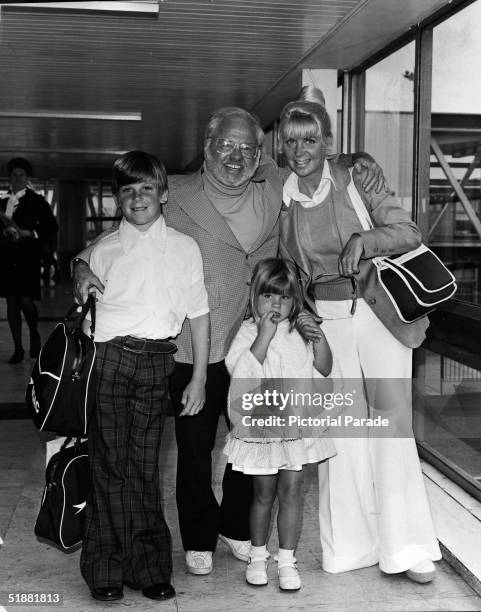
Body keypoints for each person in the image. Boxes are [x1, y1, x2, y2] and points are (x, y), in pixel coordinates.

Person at [72, 106, 385, 576]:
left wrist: (357, 158)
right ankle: (198, 536)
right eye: (225, 145)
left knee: (254, 442)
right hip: (191, 349)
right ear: (207, 147)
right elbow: (115, 238)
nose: (235, 156)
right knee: (195, 452)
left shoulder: (277, 185)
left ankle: (237, 529)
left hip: (259, 345)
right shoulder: (174, 192)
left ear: (260, 155)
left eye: (247, 148)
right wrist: (80, 266)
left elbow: (315, 161)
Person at [278, 87, 441, 583]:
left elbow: (408, 231)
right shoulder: (283, 200)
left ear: (327, 142)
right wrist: (300, 315)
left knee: (389, 430)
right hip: (327, 323)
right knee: (343, 438)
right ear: (282, 146)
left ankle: (407, 548)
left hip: (375, 313)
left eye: (311, 141)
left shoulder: (355, 176)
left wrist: (364, 239)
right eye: (292, 142)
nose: (301, 152)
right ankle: (350, 547)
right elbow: (290, 270)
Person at [79, 151, 210, 603]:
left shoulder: (185, 247)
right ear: (117, 198)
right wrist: (80, 269)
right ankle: (105, 569)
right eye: (128, 190)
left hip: (159, 362)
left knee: (145, 468)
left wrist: (199, 379)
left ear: (164, 195)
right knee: (110, 467)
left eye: (147, 189)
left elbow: (199, 315)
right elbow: (82, 282)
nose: (138, 197)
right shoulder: (103, 248)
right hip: (109, 360)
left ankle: (149, 565)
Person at [223, 258, 335, 591]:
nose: (276, 303)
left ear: (295, 299)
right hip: (261, 429)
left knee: (291, 494)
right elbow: (239, 372)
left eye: (284, 297)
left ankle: (287, 561)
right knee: (262, 494)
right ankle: (258, 557)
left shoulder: (298, 330)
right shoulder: (246, 331)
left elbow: (325, 369)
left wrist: (318, 338)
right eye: (269, 295)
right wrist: (264, 335)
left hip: (295, 428)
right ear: (255, 295)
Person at [0, 157, 58, 363]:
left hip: (27, 257)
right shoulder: (3, 201)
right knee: (11, 302)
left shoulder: (36, 201)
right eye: (14, 174)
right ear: (10, 177)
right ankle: (18, 348)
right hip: (6, 257)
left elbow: (51, 227)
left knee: (25, 299)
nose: (17, 178)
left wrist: (29, 232)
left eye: (21, 174)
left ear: (27, 178)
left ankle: (34, 332)